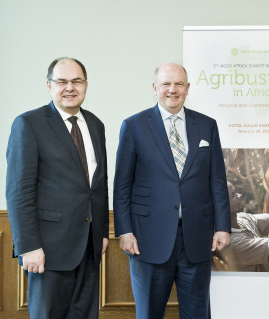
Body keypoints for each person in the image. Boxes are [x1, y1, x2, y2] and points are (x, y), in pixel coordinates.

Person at [113, 63, 231, 319]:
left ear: (188, 88)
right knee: (149, 314)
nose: (172, 90)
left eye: (178, 84)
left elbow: (217, 181)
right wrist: (124, 230)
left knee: (197, 314)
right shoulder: (134, 126)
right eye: (166, 84)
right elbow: (122, 184)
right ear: (155, 88)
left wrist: (222, 226)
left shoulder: (207, 126)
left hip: (196, 239)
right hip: (147, 240)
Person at [6, 57, 109, 319]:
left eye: (76, 81)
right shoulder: (29, 124)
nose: (70, 87)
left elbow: (98, 184)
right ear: (49, 85)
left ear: (86, 85)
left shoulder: (96, 125)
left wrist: (102, 231)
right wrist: (28, 246)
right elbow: (19, 192)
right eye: (62, 81)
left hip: (89, 247)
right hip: (47, 251)